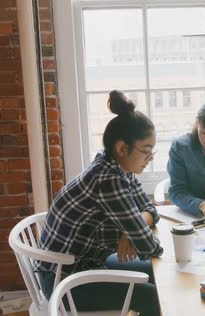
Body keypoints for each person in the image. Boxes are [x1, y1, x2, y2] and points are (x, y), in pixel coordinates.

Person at [35, 90, 162, 315]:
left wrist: (129, 231)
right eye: (146, 151)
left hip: (89, 266)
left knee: (158, 274)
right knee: (152, 295)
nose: (150, 160)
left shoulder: (118, 167)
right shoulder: (108, 180)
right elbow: (151, 247)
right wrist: (134, 230)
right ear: (122, 148)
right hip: (64, 281)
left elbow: (151, 209)